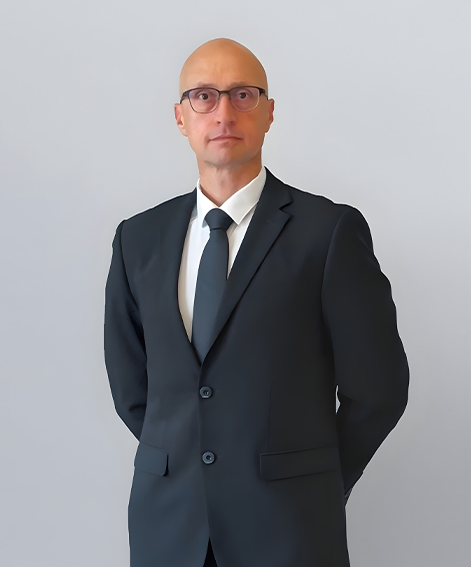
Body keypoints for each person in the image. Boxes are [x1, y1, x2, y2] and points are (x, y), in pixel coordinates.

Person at [104, 37, 409, 567]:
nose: (223, 113)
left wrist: (315, 483)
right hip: (168, 530)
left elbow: (378, 390)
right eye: (203, 96)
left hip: (289, 530)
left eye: (243, 95)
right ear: (180, 117)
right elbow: (133, 391)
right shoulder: (138, 238)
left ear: (269, 113)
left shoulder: (328, 232)